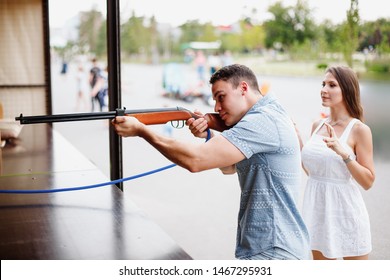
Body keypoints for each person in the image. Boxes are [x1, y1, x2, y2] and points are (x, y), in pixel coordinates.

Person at [112, 64, 310, 260]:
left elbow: (195, 160)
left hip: (274, 250)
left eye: (221, 97)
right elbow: (228, 167)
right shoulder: (269, 114)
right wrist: (208, 135)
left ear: (243, 88)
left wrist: (142, 131)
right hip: (272, 246)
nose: (217, 107)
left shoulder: (262, 121)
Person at [300, 66, 375, 260]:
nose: (324, 89)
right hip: (317, 213)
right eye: (323, 84)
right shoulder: (318, 125)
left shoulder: (359, 130)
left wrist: (344, 154)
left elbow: (368, 181)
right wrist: (298, 141)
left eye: (332, 85)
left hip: (347, 214)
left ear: (347, 90)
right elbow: (314, 171)